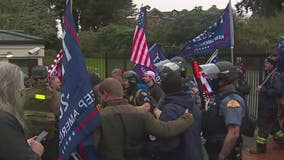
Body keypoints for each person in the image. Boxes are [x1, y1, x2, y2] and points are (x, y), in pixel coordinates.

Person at [92, 77, 195, 160]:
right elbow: (165, 130)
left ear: (105, 94)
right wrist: (186, 118)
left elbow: (92, 147)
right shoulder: (141, 114)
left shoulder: (99, 118)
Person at [145, 62, 203, 160]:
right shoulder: (194, 106)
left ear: (164, 88)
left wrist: (147, 147)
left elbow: (168, 144)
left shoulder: (170, 110)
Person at [200, 61, 246, 160]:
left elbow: (234, 132)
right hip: (214, 148)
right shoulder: (219, 96)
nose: (212, 79)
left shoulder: (231, 101)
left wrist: (222, 156)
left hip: (224, 153)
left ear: (225, 79)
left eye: (216, 77)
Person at [0, 61, 44, 160]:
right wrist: (35, 154)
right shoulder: (4, 120)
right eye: (19, 86)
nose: (22, 90)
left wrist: (19, 143)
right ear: (9, 88)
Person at [22, 65, 60, 160]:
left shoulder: (23, 94)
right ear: (47, 77)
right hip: (49, 139)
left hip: (28, 141)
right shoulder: (56, 95)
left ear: (31, 78)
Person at [250, 55, 284, 153]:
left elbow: (277, 91)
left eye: (267, 63)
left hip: (269, 107)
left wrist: (263, 89)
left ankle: (260, 148)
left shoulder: (276, 76)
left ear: (272, 65)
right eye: (265, 62)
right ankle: (282, 142)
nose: (265, 64)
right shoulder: (270, 74)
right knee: (274, 127)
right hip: (267, 107)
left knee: (263, 127)